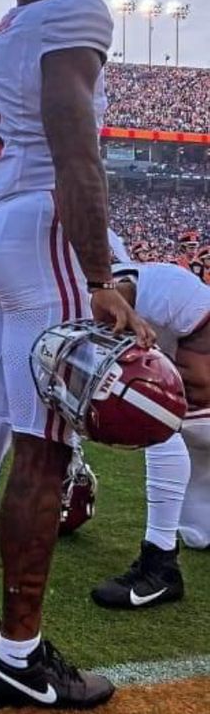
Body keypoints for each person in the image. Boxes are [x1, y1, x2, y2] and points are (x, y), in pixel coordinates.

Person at [0, 0, 154, 710]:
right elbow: (76, 148)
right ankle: (19, 657)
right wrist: (100, 273)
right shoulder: (74, 11)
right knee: (45, 443)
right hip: (38, 228)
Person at [91, 261, 210, 608]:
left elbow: (200, 384)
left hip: (201, 407)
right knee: (199, 531)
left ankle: (160, 567)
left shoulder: (168, 290)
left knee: (150, 411)